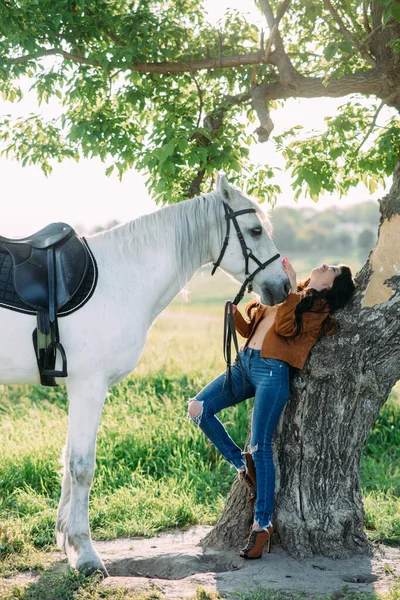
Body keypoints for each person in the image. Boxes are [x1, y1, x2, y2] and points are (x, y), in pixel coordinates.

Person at [188, 259, 356, 559]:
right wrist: (235, 316)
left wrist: (291, 291)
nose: (325, 265)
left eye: (331, 269)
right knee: (198, 408)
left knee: (260, 445)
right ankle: (242, 467)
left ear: (331, 285)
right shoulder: (286, 289)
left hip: (272, 372)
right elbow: (253, 327)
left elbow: (284, 327)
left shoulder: (318, 310)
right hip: (245, 364)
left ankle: (262, 524)